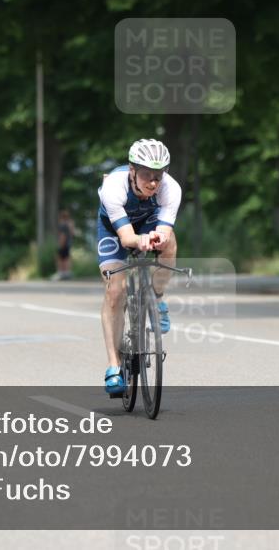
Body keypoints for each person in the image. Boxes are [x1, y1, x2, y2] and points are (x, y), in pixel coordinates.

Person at [97, 139, 181, 395]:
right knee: (115, 292)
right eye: (147, 175)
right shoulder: (113, 186)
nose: (153, 182)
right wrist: (139, 240)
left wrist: (159, 238)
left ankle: (157, 298)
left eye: (159, 175)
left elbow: (164, 230)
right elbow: (126, 238)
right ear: (132, 170)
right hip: (114, 229)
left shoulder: (171, 189)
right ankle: (113, 365)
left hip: (149, 221)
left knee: (170, 245)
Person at [52, 210, 76, 281]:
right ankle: (66, 273)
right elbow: (72, 234)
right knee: (66, 258)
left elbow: (63, 236)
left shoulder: (62, 225)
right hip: (68, 244)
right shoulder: (69, 224)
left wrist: (60, 244)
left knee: (59, 258)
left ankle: (60, 273)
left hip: (63, 243)